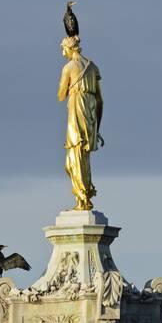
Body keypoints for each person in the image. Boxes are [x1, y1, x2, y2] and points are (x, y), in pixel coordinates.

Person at [58, 35, 104, 210]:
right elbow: (100, 100)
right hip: (91, 114)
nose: (63, 53)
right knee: (83, 156)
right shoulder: (93, 67)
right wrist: (97, 128)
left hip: (77, 110)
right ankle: (84, 196)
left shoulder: (69, 67)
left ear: (70, 48)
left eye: (64, 49)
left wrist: (70, 87)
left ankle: (83, 198)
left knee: (74, 157)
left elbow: (61, 96)